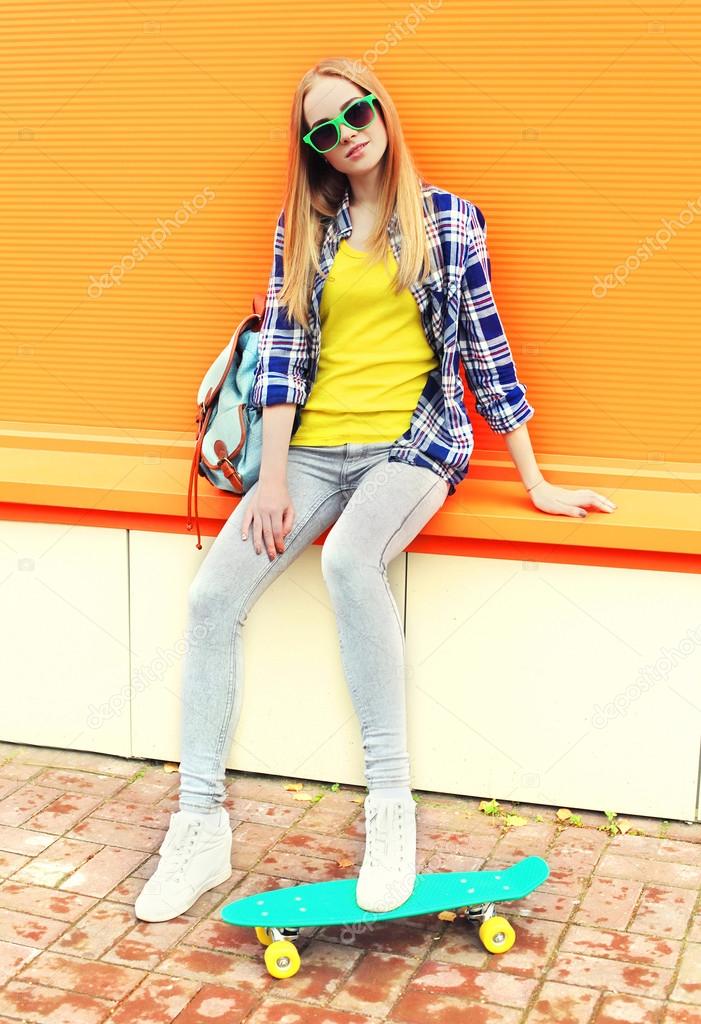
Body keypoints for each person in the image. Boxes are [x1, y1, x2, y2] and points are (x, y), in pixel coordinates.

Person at [135, 57, 617, 924]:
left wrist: (534, 478)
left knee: (351, 561)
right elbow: (281, 352)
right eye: (323, 129)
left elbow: (485, 351)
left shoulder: (450, 223)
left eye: (354, 112)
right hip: (313, 449)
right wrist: (273, 478)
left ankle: (390, 810)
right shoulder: (305, 226)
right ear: (313, 150)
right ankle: (199, 825)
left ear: (381, 110)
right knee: (211, 599)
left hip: (411, 444)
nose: (345, 133)